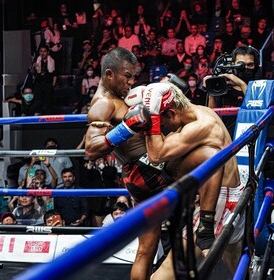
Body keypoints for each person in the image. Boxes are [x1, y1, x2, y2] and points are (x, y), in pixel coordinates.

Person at [84, 47, 171, 279]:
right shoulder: (104, 103)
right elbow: (91, 150)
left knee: (146, 249)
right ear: (109, 74)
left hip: (143, 175)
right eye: (127, 76)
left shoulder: (120, 97)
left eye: (134, 76)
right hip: (151, 172)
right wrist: (126, 127)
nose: (132, 82)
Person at [140, 82, 242, 278]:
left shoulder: (201, 126)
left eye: (162, 122)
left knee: (162, 277)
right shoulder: (199, 111)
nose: (163, 128)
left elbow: (156, 154)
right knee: (238, 268)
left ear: (171, 113)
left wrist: (150, 120)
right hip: (223, 196)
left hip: (218, 203)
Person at [206, 45, 260, 135]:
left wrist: (241, 84)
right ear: (233, 64)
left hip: (250, 137)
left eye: (250, 65)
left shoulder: (259, 86)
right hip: (227, 139)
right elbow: (212, 116)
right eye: (240, 65)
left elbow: (255, 108)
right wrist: (211, 90)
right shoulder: (223, 85)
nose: (245, 68)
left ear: (256, 66)